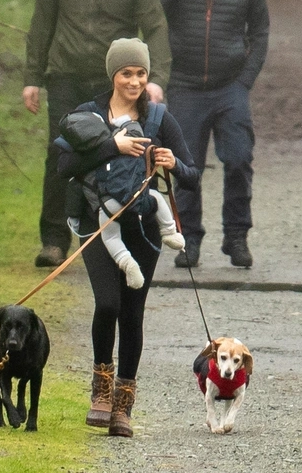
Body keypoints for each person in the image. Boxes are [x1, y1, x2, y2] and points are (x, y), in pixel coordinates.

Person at [57, 38, 200, 437]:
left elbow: (192, 174)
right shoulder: (87, 115)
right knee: (107, 303)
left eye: (141, 73)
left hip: (142, 226)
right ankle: (100, 389)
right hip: (96, 223)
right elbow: (62, 165)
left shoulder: (158, 118)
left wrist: (173, 164)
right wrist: (111, 145)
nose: (134, 81)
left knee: (132, 312)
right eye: (127, 73)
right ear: (113, 75)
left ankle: (123, 405)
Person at [23, 0, 172, 267]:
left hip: (114, 78)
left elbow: (155, 26)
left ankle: (128, 231)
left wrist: (156, 78)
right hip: (66, 75)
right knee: (59, 153)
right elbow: (42, 23)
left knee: (126, 153)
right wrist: (32, 76)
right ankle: (54, 241)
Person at [159, 0, 270, 268]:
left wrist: (245, 80)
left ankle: (236, 236)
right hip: (184, 85)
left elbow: (260, 32)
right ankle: (189, 239)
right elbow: (154, 17)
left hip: (230, 86)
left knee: (239, 157)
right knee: (186, 165)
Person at [59, 111, 186, 289]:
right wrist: (124, 123)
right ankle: (170, 232)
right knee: (157, 197)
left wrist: (74, 218)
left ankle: (127, 263)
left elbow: (73, 183)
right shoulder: (122, 133)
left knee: (111, 238)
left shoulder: (84, 153)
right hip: (138, 196)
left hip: (108, 205)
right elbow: (135, 132)